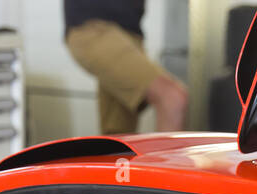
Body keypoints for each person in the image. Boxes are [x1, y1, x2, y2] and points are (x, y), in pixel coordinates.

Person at [63, 0, 189, 135]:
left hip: (130, 35)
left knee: (119, 137)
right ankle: (166, 157)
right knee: (172, 98)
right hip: (94, 27)